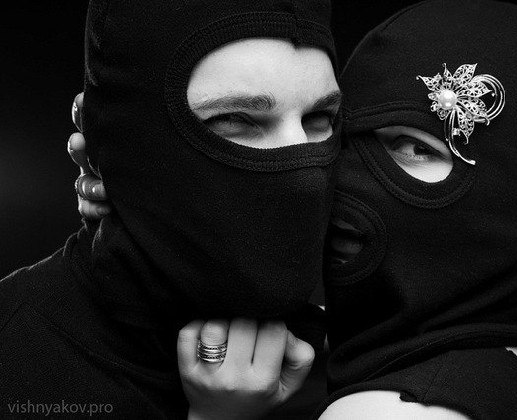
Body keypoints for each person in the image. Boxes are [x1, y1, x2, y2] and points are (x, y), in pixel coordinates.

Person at [68, 0, 517, 418]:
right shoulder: (515, 352)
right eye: (341, 132)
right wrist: (151, 183)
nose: (341, 180)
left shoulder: (395, 412)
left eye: (416, 147)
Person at [0, 0, 342, 419]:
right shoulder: (15, 359)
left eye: (320, 118)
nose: (305, 176)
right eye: (235, 119)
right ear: (121, 136)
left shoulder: (350, 371)